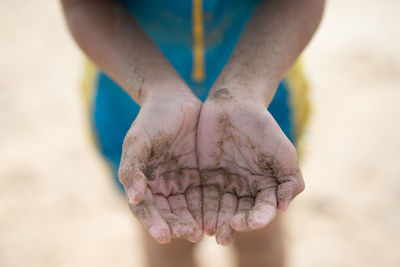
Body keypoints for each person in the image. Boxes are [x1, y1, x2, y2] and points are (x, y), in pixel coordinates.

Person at [61, 0, 324, 266]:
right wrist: (156, 89)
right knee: (167, 236)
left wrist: (247, 87)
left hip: (261, 92)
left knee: (259, 236)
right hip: (134, 96)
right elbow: (81, 5)